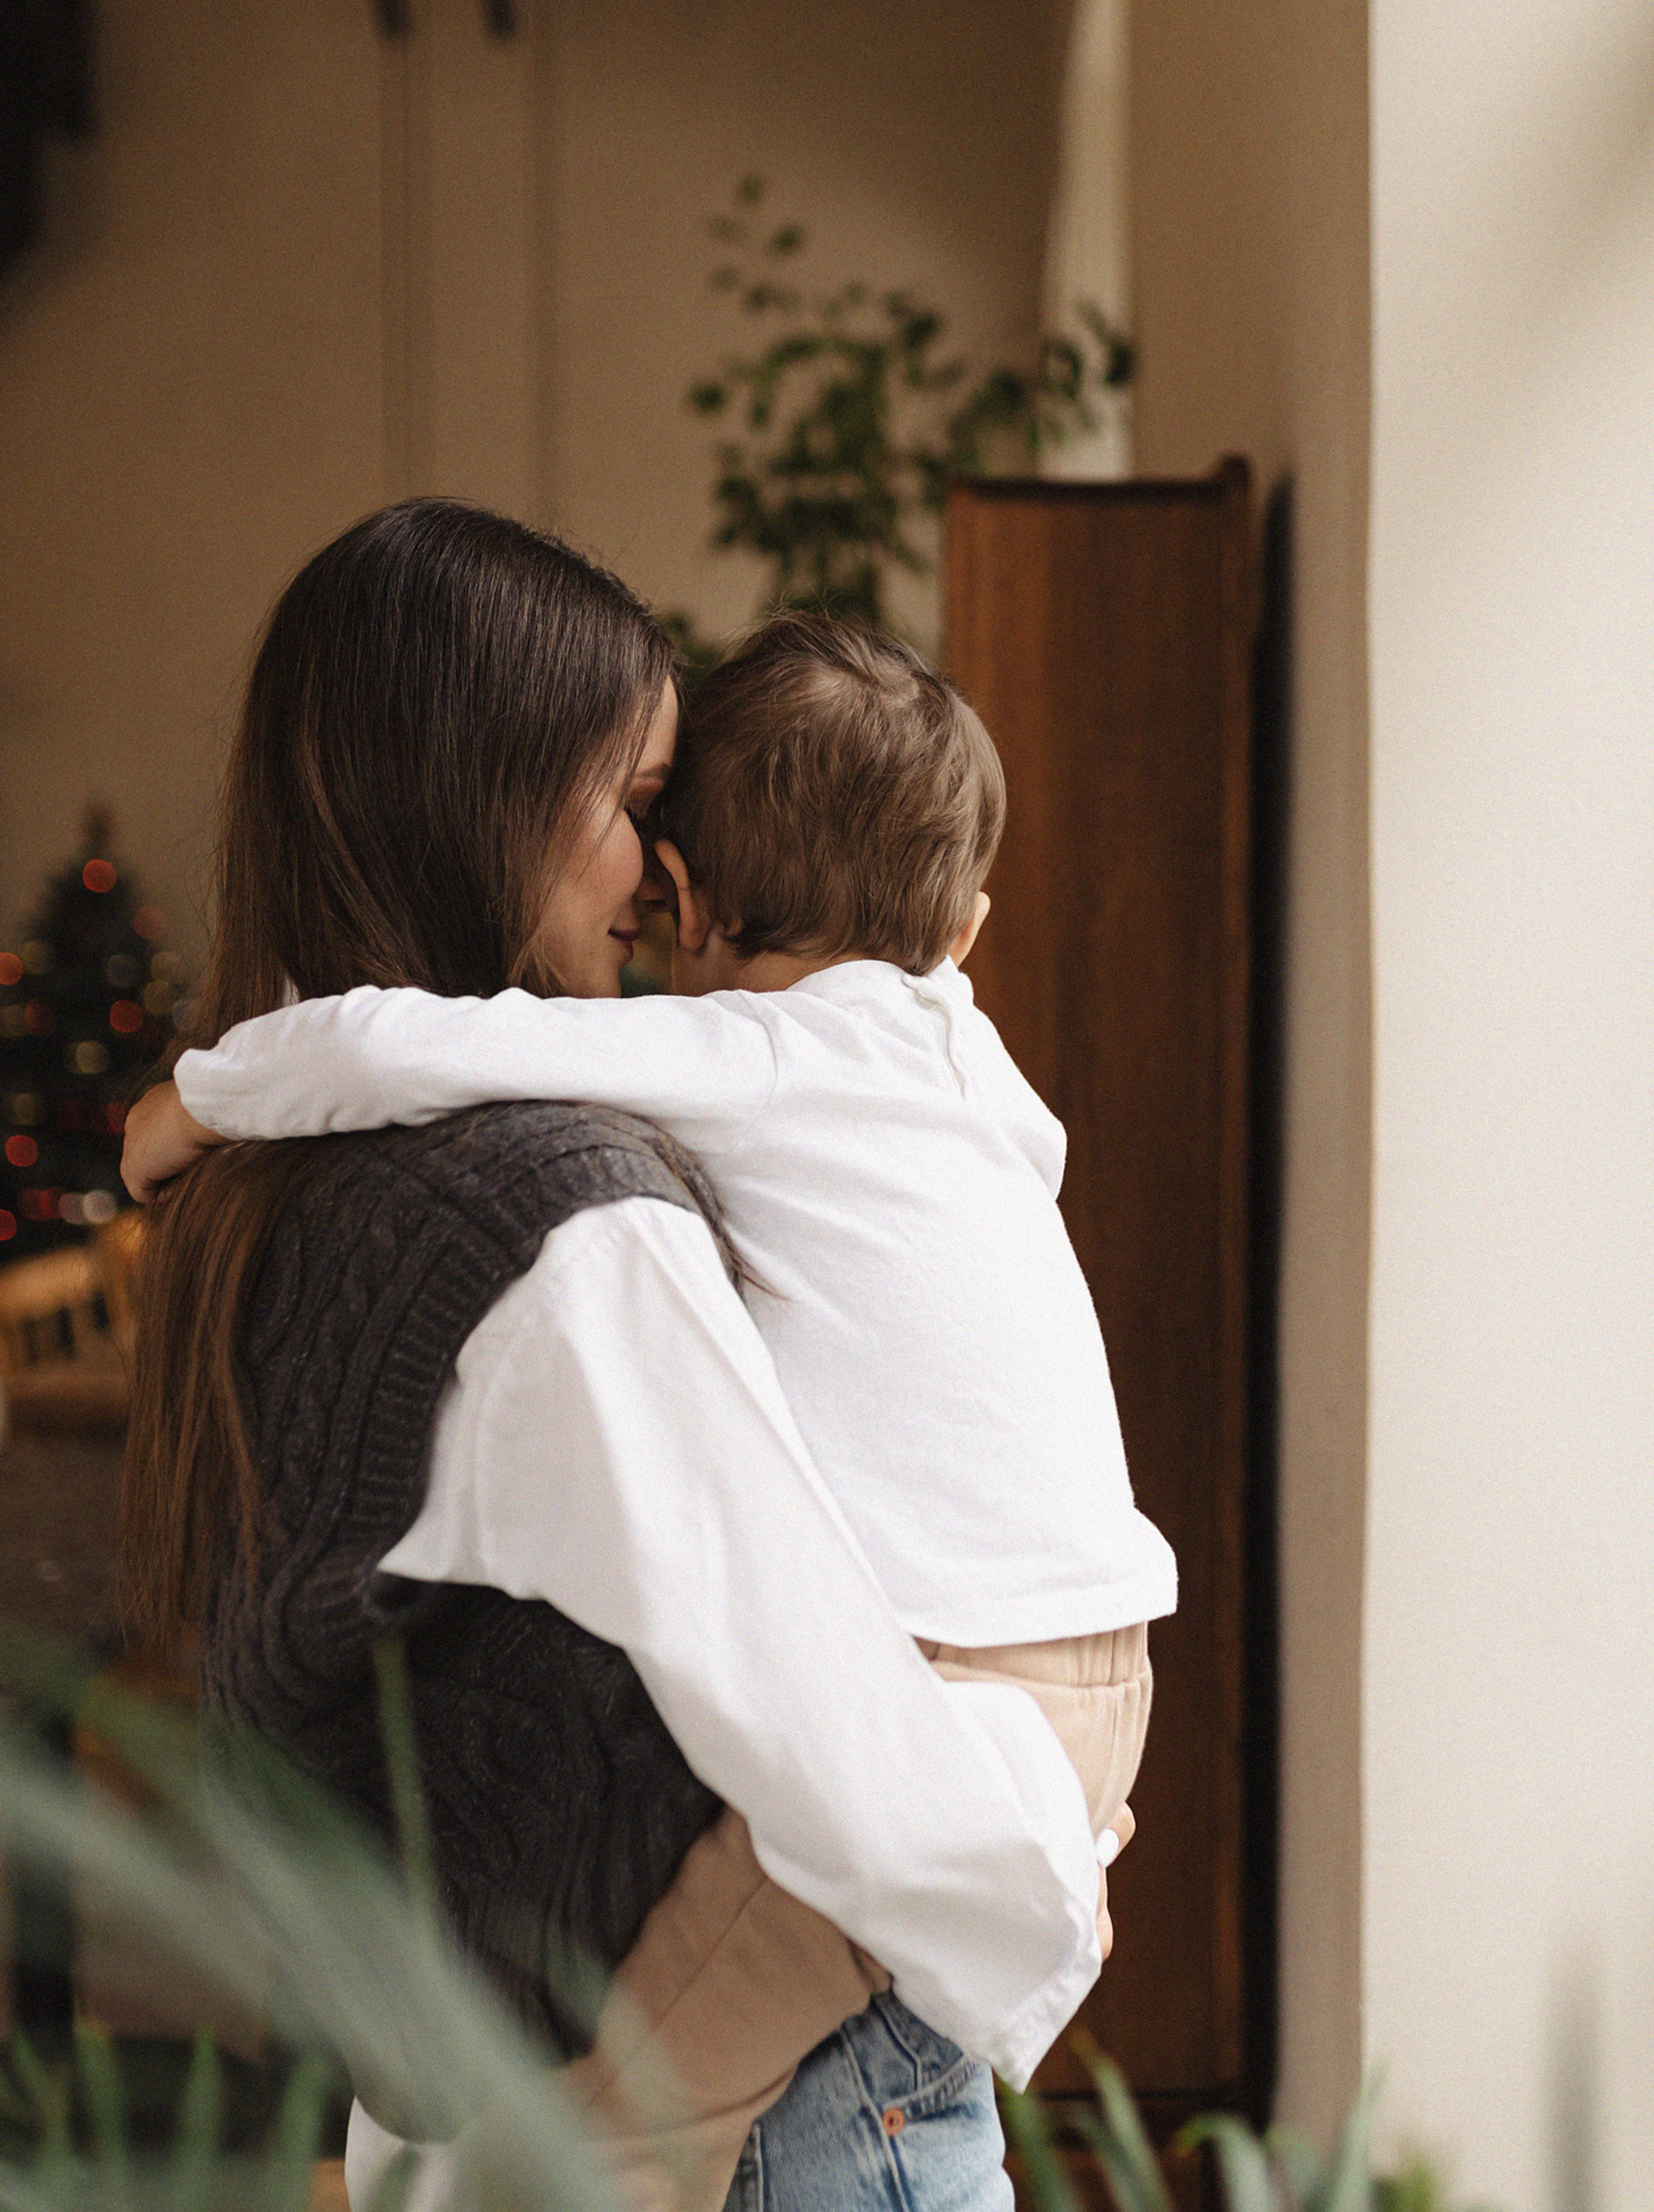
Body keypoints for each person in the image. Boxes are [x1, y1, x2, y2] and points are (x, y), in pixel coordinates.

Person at [120, 504, 1107, 2212]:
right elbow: (832, 1735)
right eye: (643, 808)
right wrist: (1039, 1853)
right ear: (490, 804)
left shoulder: (308, 1193)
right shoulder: (562, 1212)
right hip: (783, 2108)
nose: (667, 880)